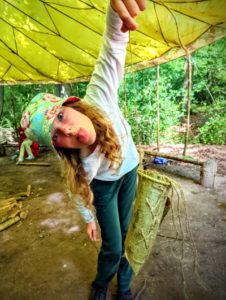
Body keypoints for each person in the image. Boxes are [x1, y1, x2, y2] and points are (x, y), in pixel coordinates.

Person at [20, 1, 146, 299]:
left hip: (129, 173)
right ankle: (101, 284)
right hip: (103, 187)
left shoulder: (99, 97)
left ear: (71, 105)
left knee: (128, 234)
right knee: (113, 244)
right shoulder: (82, 165)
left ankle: (124, 285)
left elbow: (113, 45)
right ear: (60, 148)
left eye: (61, 117)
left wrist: (117, 11)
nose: (68, 131)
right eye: (58, 136)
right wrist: (89, 220)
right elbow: (77, 193)